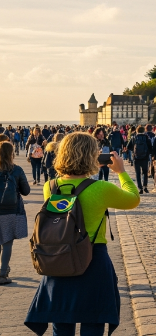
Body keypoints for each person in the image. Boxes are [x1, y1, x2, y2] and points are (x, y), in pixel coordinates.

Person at [25, 132, 140, 335]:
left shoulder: (49, 187)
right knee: (93, 323)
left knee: (61, 324)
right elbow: (133, 198)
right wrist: (121, 171)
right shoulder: (101, 188)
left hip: (58, 258)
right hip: (93, 259)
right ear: (90, 156)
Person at [0, 141, 30, 285]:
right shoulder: (16, 170)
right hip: (10, 211)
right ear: (11, 153)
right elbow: (26, 191)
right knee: (7, 243)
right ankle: (2, 273)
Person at [127, 126, 153, 193]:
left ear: (137, 131)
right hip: (145, 158)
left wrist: (133, 150)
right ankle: (145, 186)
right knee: (145, 173)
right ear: (144, 131)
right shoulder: (147, 138)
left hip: (136, 158)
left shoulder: (134, 138)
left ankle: (140, 188)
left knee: (138, 173)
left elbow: (128, 147)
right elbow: (150, 148)